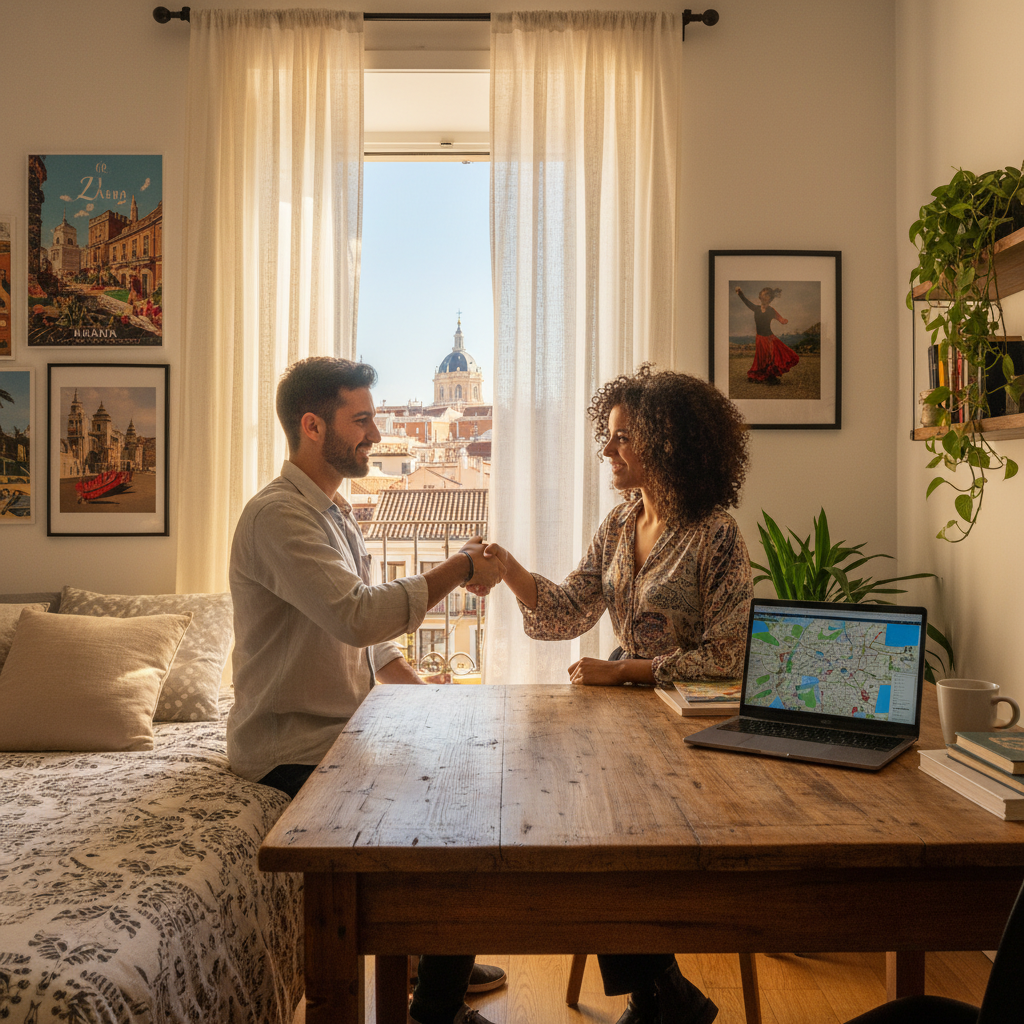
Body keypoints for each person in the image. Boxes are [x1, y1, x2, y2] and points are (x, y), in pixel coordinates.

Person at [227, 356, 506, 1024]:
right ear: (312, 426)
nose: (376, 435)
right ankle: (437, 1001)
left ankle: (437, 957)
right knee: (456, 814)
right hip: (293, 749)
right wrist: (460, 566)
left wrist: (428, 698)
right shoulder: (278, 518)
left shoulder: (333, 515)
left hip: (341, 735)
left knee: (472, 774)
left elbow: (371, 645)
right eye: (362, 420)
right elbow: (358, 616)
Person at [473, 364, 753, 1024]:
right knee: (580, 820)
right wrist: (508, 569)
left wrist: (627, 672)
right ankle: (664, 995)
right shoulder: (621, 523)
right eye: (610, 434)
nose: (608, 448)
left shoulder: (715, 534)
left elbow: (728, 657)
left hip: (694, 729)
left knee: (604, 828)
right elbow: (568, 610)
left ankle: (660, 996)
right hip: (625, 722)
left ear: (666, 443)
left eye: (623, 437)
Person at [735, 285, 799, 384]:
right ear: (760, 296)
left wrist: (784, 321)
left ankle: (770, 376)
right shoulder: (756, 308)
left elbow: (780, 319)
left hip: (770, 338)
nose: (765, 297)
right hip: (759, 338)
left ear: (770, 298)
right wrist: (740, 293)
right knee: (761, 358)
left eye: (767, 295)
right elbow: (746, 302)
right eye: (763, 294)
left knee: (771, 356)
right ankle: (759, 375)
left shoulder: (771, 310)